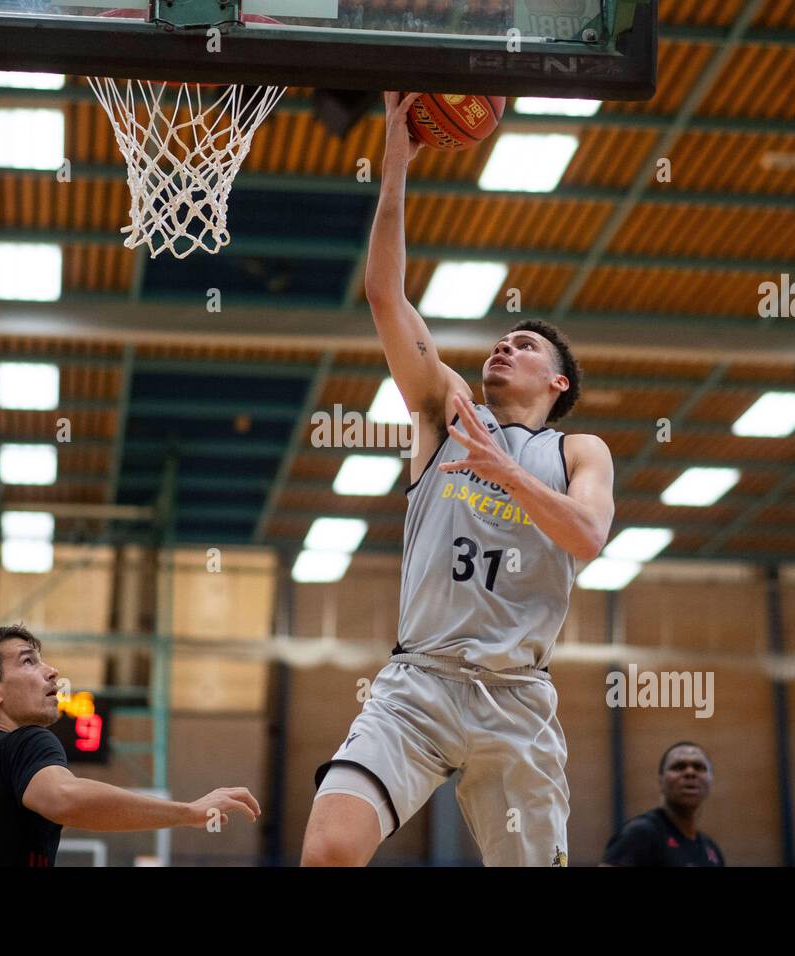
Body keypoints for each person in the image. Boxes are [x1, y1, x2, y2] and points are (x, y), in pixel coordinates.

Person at [301, 92, 616, 867]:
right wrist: (396, 165)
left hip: (516, 698)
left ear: (559, 384)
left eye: (525, 346)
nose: (504, 349)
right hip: (419, 682)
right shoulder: (446, 410)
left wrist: (506, 471)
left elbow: (586, 537)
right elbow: (386, 297)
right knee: (331, 849)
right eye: (501, 341)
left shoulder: (581, 450)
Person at [0, 625, 258, 866]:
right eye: (29, 661)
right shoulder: (24, 744)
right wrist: (188, 812)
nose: (52, 671)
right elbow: (65, 798)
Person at [601, 741, 724, 866]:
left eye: (699, 767)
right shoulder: (640, 834)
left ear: (710, 779)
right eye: (679, 767)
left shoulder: (711, 850)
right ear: (661, 780)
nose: (690, 773)